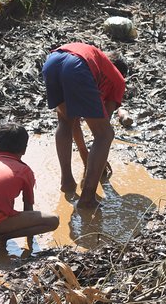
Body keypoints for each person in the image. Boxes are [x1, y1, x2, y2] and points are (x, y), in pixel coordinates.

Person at [41, 42, 128, 208]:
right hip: (77, 66)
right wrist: (97, 162)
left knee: (65, 122)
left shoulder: (94, 59)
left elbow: (75, 122)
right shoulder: (117, 78)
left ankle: (66, 181)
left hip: (52, 61)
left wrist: (85, 155)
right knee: (106, 135)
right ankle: (87, 198)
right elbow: (102, 132)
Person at [0, 123, 59, 249]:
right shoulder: (25, 171)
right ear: (24, 149)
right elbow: (28, 206)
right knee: (53, 220)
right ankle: (2, 236)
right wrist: (31, 242)